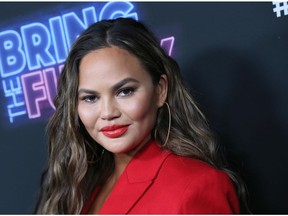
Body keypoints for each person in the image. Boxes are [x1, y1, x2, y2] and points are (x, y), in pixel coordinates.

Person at [35, 17, 249, 214]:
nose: (108, 113)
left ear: (160, 90)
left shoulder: (197, 186)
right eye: (90, 98)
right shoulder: (78, 187)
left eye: (125, 91)